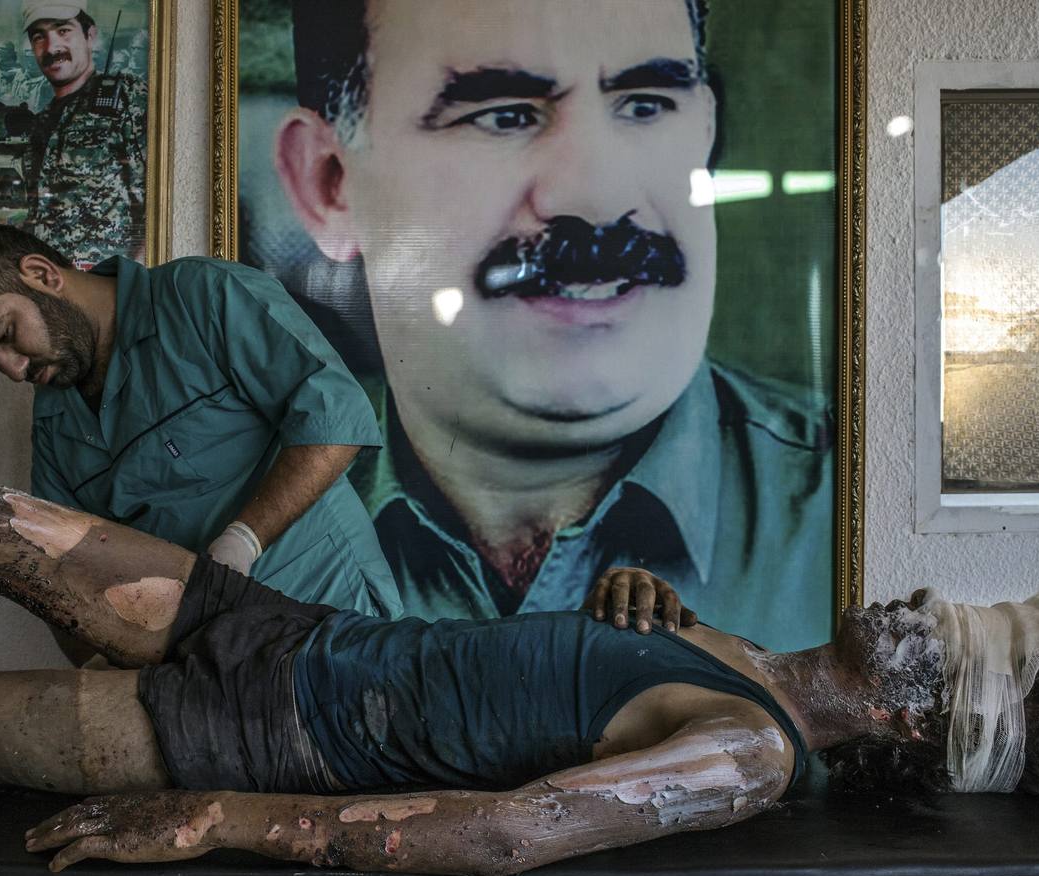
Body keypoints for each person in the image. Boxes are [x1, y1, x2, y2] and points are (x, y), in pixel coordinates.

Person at [0, 488, 1039, 876]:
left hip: (273, 726)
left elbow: (502, 832)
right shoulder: (735, 646)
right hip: (296, 630)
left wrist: (211, 817)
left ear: (914, 719)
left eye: (951, 634)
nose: (925, 604)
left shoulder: (752, 755)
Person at [272, 0, 832, 648]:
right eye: (505, 117)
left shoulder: (844, 512)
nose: (597, 196)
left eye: (646, 104)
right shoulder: (269, 533)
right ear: (329, 183)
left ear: (704, 129)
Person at [0, 224, 400, 619]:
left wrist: (244, 540)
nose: (13, 368)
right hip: (211, 660)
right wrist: (100, 652)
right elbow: (63, 572)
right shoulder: (53, 423)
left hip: (329, 611)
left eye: (5, 334)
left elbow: (338, 416)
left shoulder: (204, 297)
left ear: (42, 275)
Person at [21, 0, 147, 268]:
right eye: (38, 37)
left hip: (104, 289)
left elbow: (159, 204)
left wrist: (130, 287)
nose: (51, 47)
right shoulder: (43, 121)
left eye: (63, 30)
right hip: (52, 288)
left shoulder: (127, 98)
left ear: (90, 36)